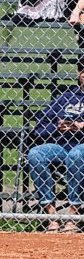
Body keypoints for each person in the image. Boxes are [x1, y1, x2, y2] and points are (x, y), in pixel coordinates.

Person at [27, 59, 84, 232]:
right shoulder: (66, 98)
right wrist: (58, 127)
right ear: (79, 74)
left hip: (81, 147)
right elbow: (40, 127)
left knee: (76, 155)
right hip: (61, 146)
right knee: (36, 154)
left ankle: (73, 214)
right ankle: (51, 213)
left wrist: (82, 126)